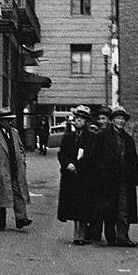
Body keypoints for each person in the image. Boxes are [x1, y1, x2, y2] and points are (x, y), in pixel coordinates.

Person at [88, 105, 138, 247]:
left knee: (124, 209)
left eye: (123, 119)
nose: (121, 121)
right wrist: (98, 175)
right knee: (109, 208)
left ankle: (123, 237)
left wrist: (137, 177)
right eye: (118, 118)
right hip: (107, 179)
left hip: (124, 178)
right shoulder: (102, 136)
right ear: (112, 120)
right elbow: (94, 157)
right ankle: (111, 237)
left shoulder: (128, 139)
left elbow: (133, 160)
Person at [0, 106, 32, 231]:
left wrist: (22, 161)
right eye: (7, 120)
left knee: (18, 192)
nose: (10, 122)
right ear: (1, 121)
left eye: (11, 120)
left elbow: (21, 148)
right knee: (1, 196)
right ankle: (1, 222)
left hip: (15, 169)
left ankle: (21, 219)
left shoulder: (14, 133)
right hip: (1, 170)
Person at [57, 105, 93, 245]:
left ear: (86, 122)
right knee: (73, 205)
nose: (79, 121)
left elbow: (91, 155)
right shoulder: (68, 137)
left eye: (82, 119)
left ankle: (81, 234)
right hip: (70, 175)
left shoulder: (90, 137)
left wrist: (77, 165)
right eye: (77, 119)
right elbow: (62, 154)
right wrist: (67, 165)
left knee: (83, 205)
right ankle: (76, 233)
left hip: (83, 175)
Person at [86, 106, 114, 244]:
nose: (101, 121)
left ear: (109, 120)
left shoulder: (113, 135)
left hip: (109, 176)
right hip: (97, 176)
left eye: (104, 118)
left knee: (108, 207)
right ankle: (95, 233)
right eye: (100, 119)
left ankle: (109, 234)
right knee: (96, 206)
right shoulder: (95, 135)